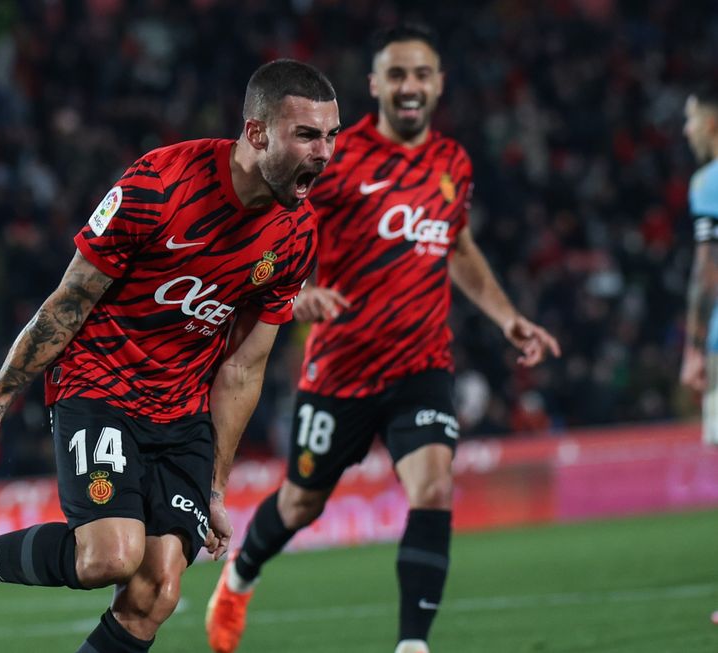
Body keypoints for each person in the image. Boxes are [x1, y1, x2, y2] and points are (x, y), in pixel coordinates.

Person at [0, 58, 340, 651]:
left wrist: (216, 488)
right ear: (257, 132)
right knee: (110, 557)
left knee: (156, 593)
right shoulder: (159, 186)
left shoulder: (297, 235)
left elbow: (243, 368)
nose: (324, 153)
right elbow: (68, 302)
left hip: (182, 413)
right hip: (100, 386)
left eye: (331, 136)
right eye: (306, 135)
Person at [205, 24, 561, 653]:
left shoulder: (453, 163)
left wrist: (506, 316)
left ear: (439, 83)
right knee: (299, 504)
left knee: (434, 487)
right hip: (341, 368)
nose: (410, 85)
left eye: (421, 73)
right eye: (397, 74)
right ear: (375, 84)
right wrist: (298, 291)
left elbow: (459, 245)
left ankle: (412, 646)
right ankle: (239, 577)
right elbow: (276, 222)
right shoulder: (336, 156)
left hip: (422, 364)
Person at [680, 81, 718, 446]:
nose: (686, 130)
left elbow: (706, 273)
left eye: (690, 119)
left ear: (711, 123)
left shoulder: (709, 183)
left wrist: (693, 349)